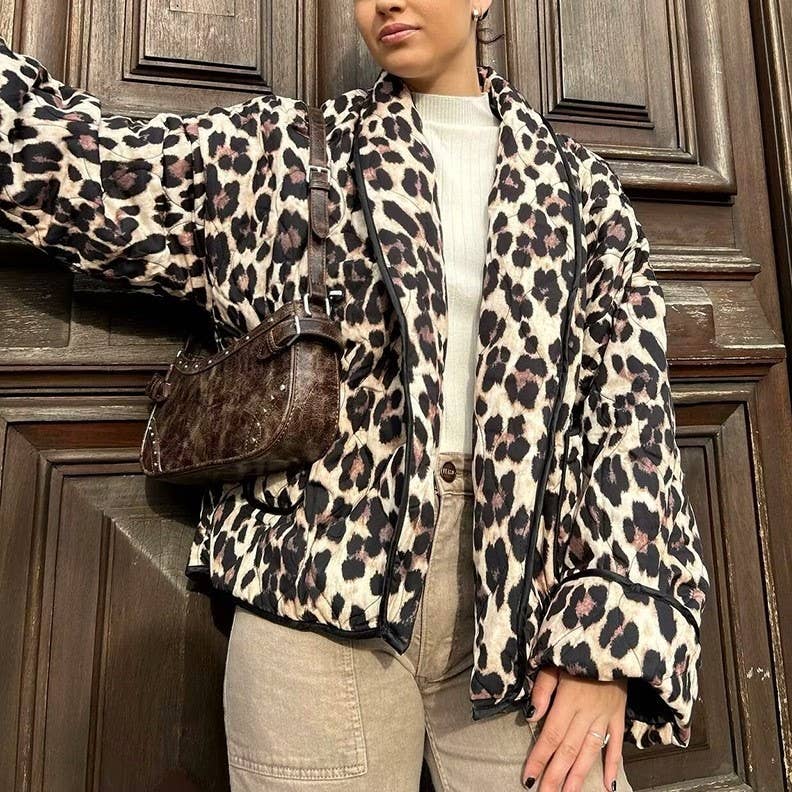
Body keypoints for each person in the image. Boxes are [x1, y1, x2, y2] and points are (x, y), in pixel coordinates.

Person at [0, 1, 710, 790]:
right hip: (314, 597)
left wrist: (608, 640)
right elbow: (77, 168)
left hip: (527, 615)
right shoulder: (276, 154)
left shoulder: (581, 191)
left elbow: (632, 419)